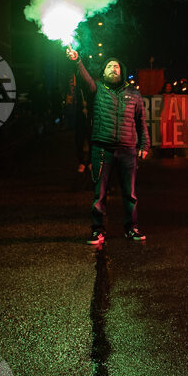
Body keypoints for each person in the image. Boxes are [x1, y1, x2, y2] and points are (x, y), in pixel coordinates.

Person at [67, 46, 149, 244]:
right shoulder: (96, 90)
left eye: (117, 67)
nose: (114, 69)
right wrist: (77, 61)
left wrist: (145, 145)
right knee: (99, 193)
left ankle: (132, 228)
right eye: (110, 66)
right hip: (102, 149)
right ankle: (97, 230)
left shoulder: (133, 94)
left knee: (130, 194)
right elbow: (84, 77)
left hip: (128, 150)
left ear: (121, 71)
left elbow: (141, 122)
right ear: (103, 72)